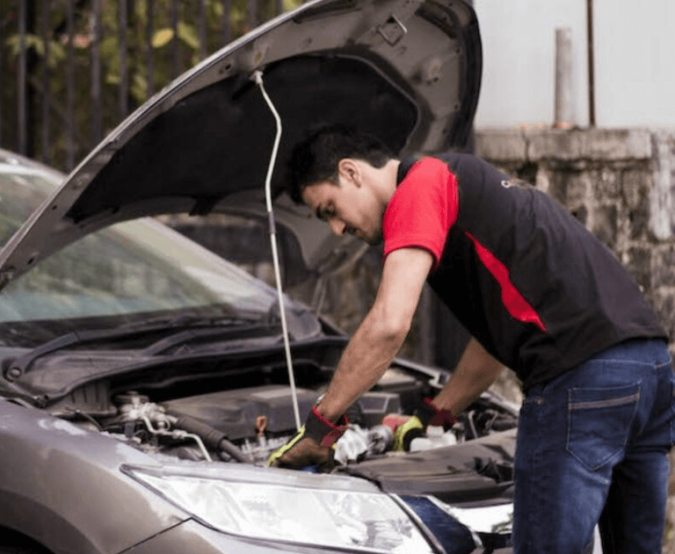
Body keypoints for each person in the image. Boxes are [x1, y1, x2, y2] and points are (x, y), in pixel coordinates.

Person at [267, 125, 674, 554]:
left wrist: (321, 426)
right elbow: (494, 342)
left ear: (351, 172)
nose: (335, 229)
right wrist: (435, 415)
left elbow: (389, 323)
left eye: (329, 209)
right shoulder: (464, 180)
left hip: (580, 381)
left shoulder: (419, 185)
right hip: (650, 369)